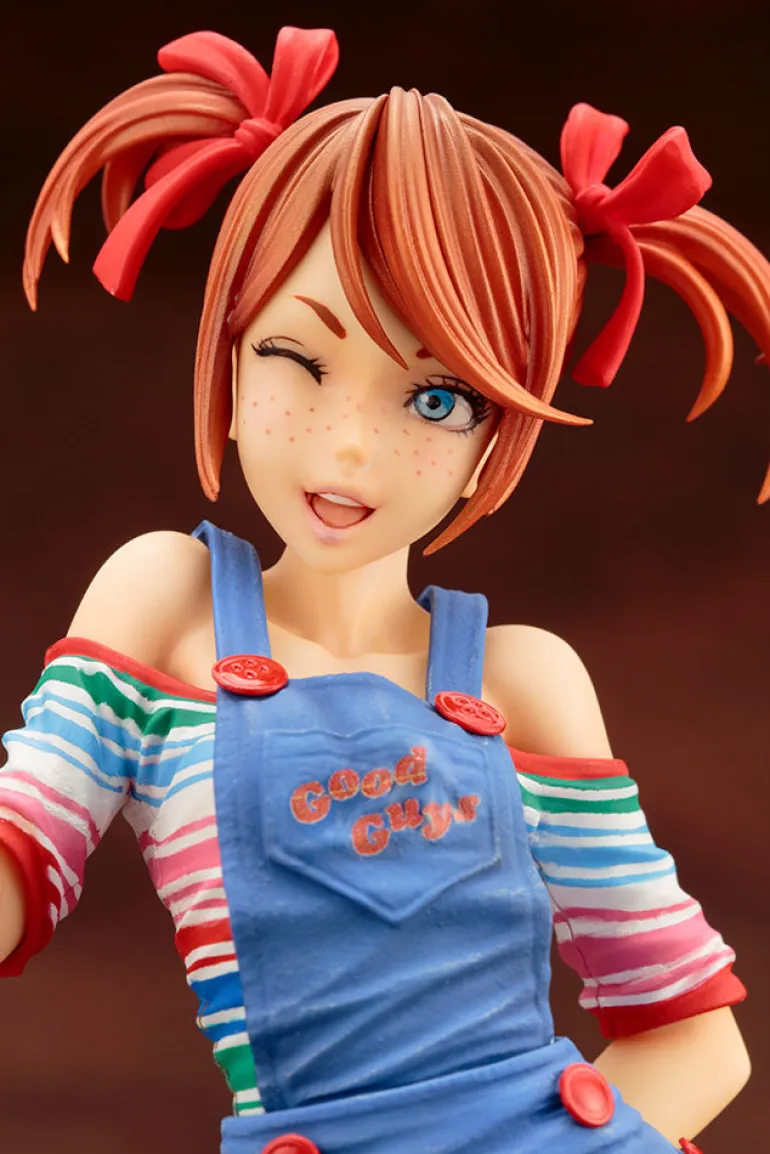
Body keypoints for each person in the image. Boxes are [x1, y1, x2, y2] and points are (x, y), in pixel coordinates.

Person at [2, 24, 766, 1154]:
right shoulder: (165, 599)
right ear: (227, 354)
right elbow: (21, 854)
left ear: (495, 436)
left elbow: (695, 1037)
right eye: (299, 361)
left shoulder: (526, 679)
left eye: (436, 399)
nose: (349, 445)